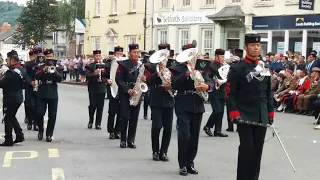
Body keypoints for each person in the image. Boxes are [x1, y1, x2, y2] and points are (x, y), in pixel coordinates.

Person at [225, 33, 274, 180]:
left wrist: (270, 112)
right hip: (244, 114)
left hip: (261, 114)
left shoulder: (264, 67)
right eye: (252, 45)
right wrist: (233, 112)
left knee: (257, 151)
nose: (256, 48)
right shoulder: (237, 68)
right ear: (246, 47)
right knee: (247, 149)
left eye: (258, 45)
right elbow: (229, 92)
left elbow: (268, 92)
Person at [169, 43, 211, 176]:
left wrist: (207, 86)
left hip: (197, 104)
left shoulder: (201, 66)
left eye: (192, 53)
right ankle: (182, 164)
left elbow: (209, 80)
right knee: (184, 135)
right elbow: (174, 84)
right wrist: (186, 74)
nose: (191, 56)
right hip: (183, 103)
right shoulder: (176, 68)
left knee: (194, 137)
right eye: (188, 53)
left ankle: (190, 163)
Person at [146, 43, 174, 161]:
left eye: (165, 52)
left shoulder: (173, 65)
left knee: (168, 128)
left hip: (169, 98)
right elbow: (148, 82)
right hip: (156, 98)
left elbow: (177, 80)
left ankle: (164, 151)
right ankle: (155, 151)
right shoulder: (151, 65)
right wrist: (157, 72)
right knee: (157, 126)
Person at [116, 43, 146, 149]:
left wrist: (144, 80)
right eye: (134, 52)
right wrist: (127, 89)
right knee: (125, 117)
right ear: (129, 53)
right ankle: (123, 139)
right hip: (126, 94)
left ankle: (131, 140)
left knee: (134, 118)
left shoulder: (141, 65)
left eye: (138, 52)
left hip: (137, 93)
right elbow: (118, 79)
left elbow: (144, 78)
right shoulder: (122, 64)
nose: (136, 54)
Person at [0, 50, 28, 146]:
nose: (7, 62)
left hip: (10, 98)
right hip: (18, 97)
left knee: (7, 118)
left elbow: (2, 84)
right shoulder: (21, 69)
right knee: (11, 116)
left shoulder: (11, 73)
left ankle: (8, 139)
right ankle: (19, 135)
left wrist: (2, 74)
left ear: (12, 60)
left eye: (8, 60)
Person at [35, 48, 63, 142]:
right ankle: (41, 131)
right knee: (39, 113)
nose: (49, 59)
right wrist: (44, 70)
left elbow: (60, 79)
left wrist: (54, 71)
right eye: (47, 57)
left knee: (52, 115)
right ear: (45, 57)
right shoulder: (40, 66)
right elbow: (37, 76)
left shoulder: (58, 66)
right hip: (42, 92)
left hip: (53, 93)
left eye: (51, 57)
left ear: (53, 56)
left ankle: (49, 134)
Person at [203, 48, 228, 137]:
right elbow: (208, 77)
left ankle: (218, 130)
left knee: (221, 112)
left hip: (222, 90)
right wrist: (214, 81)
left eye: (223, 56)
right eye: (221, 56)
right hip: (214, 91)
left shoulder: (223, 65)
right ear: (216, 56)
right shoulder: (211, 65)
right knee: (217, 111)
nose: (223, 58)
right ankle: (207, 126)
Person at [85, 50, 110, 130]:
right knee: (93, 105)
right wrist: (94, 74)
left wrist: (106, 80)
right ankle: (91, 121)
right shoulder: (90, 66)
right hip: (93, 88)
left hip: (101, 88)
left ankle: (98, 123)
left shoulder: (104, 66)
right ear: (94, 56)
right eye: (96, 56)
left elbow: (107, 76)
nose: (98, 57)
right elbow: (87, 77)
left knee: (100, 106)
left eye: (99, 56)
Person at [107, 46, 123, 139]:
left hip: (121, 89)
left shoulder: (124, 64)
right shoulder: (109, 64)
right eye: (117, 54)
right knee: (112, 111)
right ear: (114, 54)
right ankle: (111, 131)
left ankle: (118, 131)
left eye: (120, 54)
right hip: (112, 88)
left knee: (121, 112)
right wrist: (107, 81)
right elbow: (105, 75)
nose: (119, 56)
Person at [24, 50, 39, 131]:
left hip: (38, 85)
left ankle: (35, 123)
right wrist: (30, 82)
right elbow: (25, 75)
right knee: (30, 105)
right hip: (30, 86)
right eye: (35, 54)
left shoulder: (41, 64)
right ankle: (30, 121)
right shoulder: (28, 64)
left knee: (37, 105)